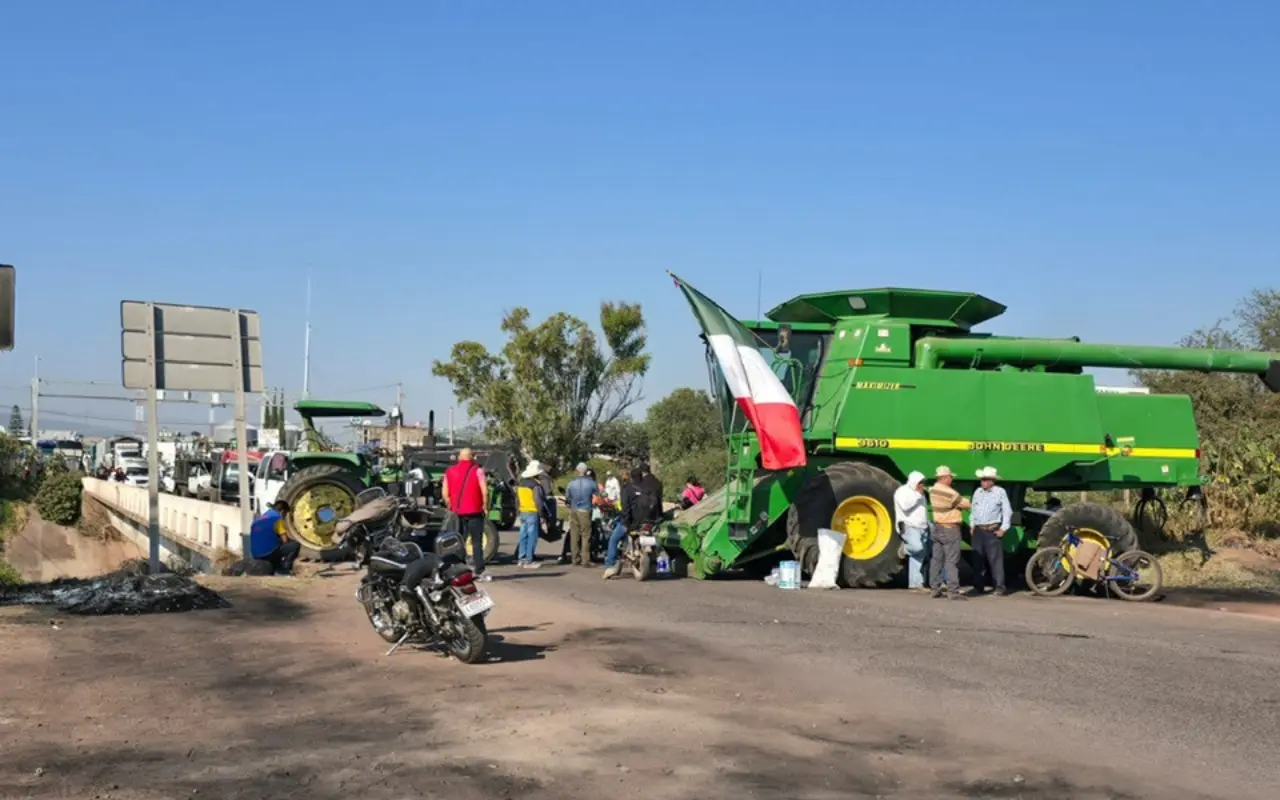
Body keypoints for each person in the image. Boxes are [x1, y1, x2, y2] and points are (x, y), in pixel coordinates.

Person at [603, 464, 664, 579]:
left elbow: (625, 507)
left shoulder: (627, 488)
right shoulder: (648, 487)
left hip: (632, 522)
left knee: (613, 539)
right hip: (649, 521)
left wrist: (625, 520)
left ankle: (610, 565)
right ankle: (656, 566)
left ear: (631, 477)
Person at [442, 447, 491, 581]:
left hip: (457, 512)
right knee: (476, 542)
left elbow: (445, 493)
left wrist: (451, 504)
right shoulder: (478, 471)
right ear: (473, 457)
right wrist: (485, 506)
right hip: (475, 511)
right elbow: (485, 491)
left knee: (459, 541)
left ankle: (460, 569)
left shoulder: (449, 471)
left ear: (459, 457)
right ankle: (479, 570)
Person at [967, 466, 1012, 597]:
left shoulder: (1000, 492)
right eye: (982, 479)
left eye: (986, 480)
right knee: (977, 559)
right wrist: (972, 524)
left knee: (995, 561)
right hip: (978, 529)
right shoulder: (977, 492)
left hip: (992, 529)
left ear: (992, 481)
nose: (983, 482)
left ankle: (999, 587)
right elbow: (973, 510)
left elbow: (1007, 511)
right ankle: (978, 586)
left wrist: (1003, 528)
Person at [927, 465, 970, 600]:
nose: (951, 479)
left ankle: (935, 588)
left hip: (937, 527)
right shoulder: (950, 492)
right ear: (945, 478)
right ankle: (953, 591)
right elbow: (966, 504)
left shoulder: (933, 490)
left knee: (936, 559)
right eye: (950, 477)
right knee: (951, 560)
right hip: (950, 529)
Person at [893, 471, 931, 591]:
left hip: (922, 526)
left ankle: (915, 583)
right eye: (920, 483)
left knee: (918, 555)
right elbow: (905, 506)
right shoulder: (903, 492)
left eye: (923, 483)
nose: (922, 485)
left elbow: (923, 510)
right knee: (917, 548)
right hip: (908, 525)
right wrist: (918, 495)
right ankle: (904, 549)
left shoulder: (920, 493)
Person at [248, 500, 301, 575]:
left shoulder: (258, 519)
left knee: (275, 544)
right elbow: (284, 540)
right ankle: (284, 569)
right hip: (268, 554)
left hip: (255, 554)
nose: (285, 516)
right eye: (285, 514)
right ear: (282, 511)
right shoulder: (277, 518)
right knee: (295, 545)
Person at [564, 462, 600, 566]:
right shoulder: (591, 483)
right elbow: (598, 494)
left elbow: (567, 497)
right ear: (586, 471)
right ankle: (586, 560)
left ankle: (575, 559)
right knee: (585, 535)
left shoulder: (571, 483)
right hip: (585, 510)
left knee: (574, 534)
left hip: (574, 510)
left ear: (577, 471)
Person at [514, 460, 546, 569]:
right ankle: (529, 560)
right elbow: (538, 501)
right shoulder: (535, 486)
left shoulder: (521, 484)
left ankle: (521, 559)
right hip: (532, 512)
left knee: (523, 536)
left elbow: (517, 500)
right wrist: (542, 515)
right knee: (532, 537)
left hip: (523, 512)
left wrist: (518, 510)